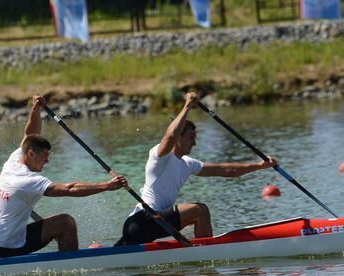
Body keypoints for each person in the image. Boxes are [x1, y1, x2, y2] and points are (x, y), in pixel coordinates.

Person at [0, 95, 128, 260]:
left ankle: (68, 259)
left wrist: (36, 108)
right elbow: (69, 188)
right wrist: (106, 186)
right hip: (5, 248)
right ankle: (71, 267)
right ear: (31, 153)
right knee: (66, 223)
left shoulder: (14, 160)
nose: (47, 160)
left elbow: (30, 133)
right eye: (45, 155)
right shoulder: (28, 180)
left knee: (63, 221)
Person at [116, 92, 277, 245]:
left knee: (193, 217)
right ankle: (208, 252)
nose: (194, 143)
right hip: (141, 221)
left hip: (153, 225)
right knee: (200, 210)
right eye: (191, 137)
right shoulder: (159, 156)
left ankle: (196, 250)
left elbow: (225, 170)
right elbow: (170, 136)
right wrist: (187, 106)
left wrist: (259, 166)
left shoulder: (187, 163)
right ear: (179, 137)